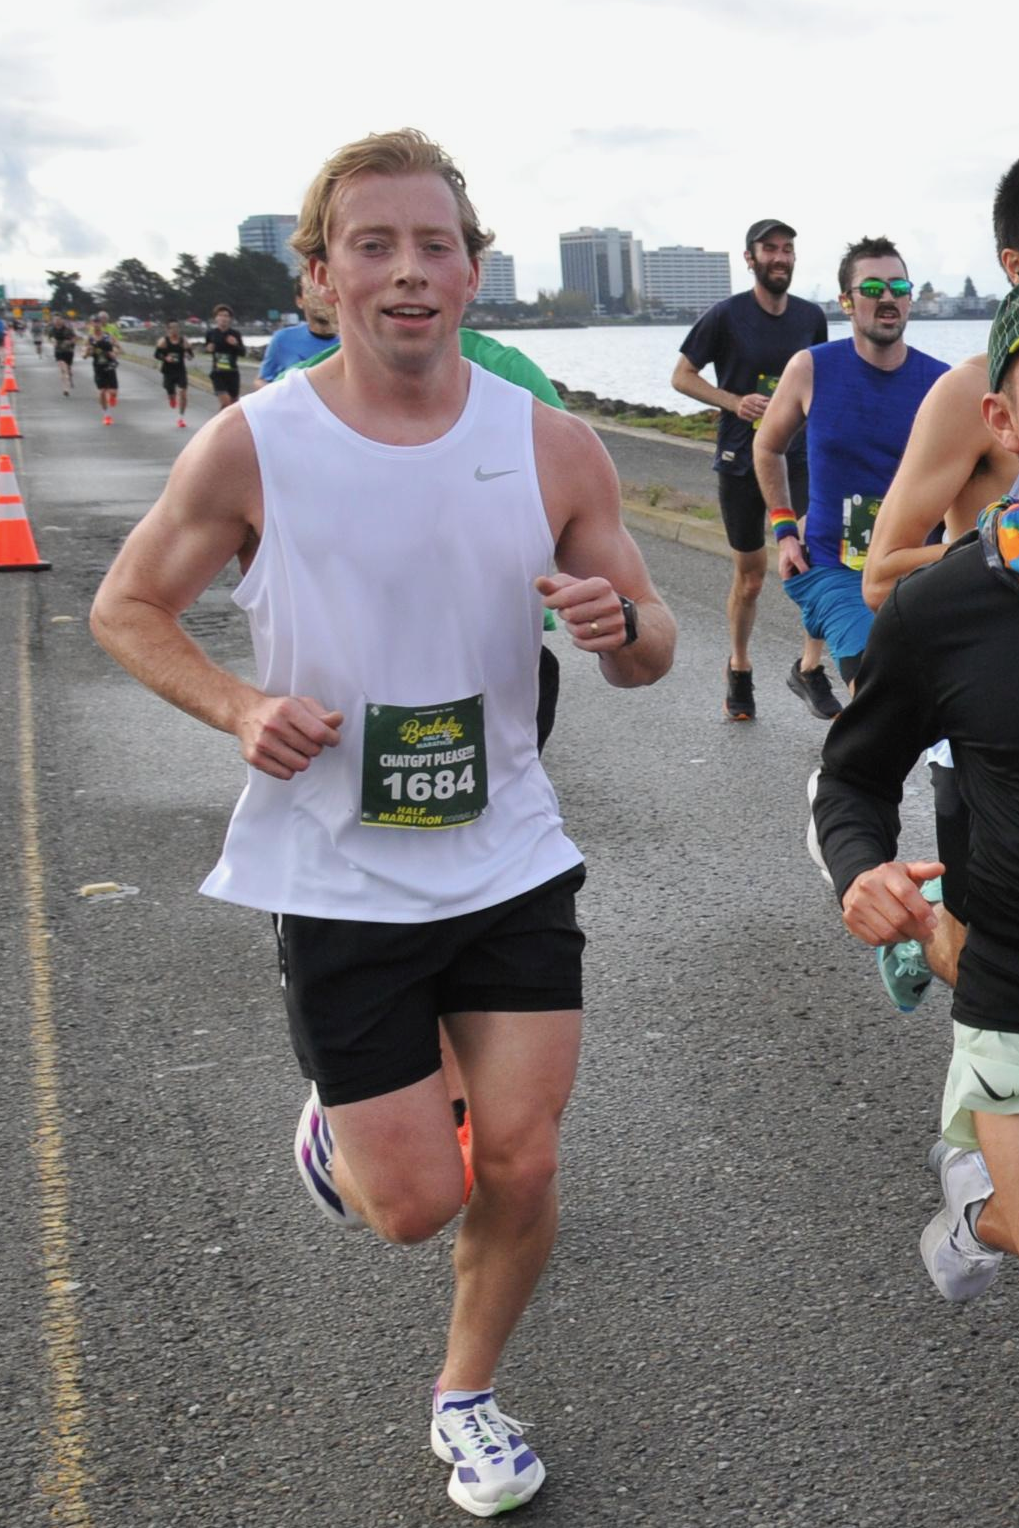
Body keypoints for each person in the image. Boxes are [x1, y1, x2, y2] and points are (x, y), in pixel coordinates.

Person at [90, 127, 676, 1518]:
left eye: (434, 247)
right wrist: (236, 707)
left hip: (508, 854)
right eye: (374, 246)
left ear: (471, 276)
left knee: (523, 1158)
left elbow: (646, 641)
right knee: (411, 1204)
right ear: (319, 278)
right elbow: (125, 608)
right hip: (336, 869)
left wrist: (621, 629)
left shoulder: (549, 445)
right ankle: (344, 1139)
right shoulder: (255, 446)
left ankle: (464, 1396)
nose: (408, 272)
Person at [811, 285, 1019, 1306]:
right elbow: (850, 774)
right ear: (1002, 419)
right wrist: (861, 872)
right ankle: (979, 1212)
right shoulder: (944, 607)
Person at [853, 163, 1019, 1016]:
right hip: (981, 716)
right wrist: (982, 559)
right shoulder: (968, 394)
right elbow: (880, 574)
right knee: (982, 958)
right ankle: (930, 945)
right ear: (1012, 265)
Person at [754, 236, 949, 694]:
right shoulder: (811, 368)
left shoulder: (942, 382)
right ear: (846, 302)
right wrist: (784, 532)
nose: (888, 297)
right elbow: (767, 448)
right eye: (873, 287)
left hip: (919, 568)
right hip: (835, 568)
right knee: (874, 682)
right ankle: (851, 765)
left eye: (899, 287)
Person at [672, 219, 834, 721]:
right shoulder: (725, 316)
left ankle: (809, 669)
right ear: (750, 258)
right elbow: (681, 376)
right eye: (770, 249)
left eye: (787, 249)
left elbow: (823, 382)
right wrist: (732, 402)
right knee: (752, 576)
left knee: (817, 562)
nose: (780, 257)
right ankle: (739, 669)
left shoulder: (810, 317)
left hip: (801, 457)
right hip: (741, 459)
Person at [254, 277, 338, 387]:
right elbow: (261, 380)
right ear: (299, 301)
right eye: (312, 291)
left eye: (325, 290)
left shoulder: (351, 342)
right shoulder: (283, 339)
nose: (320, 297)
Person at [204, 304, 246, 408]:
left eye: (226, 316)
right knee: (226, 402)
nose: (223, 318)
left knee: (233, 404)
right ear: (216, 318)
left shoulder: (235, 334)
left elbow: (243, 353)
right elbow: (207, 348)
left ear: (230, 319)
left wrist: (235, 344)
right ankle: (219, 424)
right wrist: (208, 349)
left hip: (232, 372)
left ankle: (222, 423)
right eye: (221, 315)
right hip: (218, 372)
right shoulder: (211, 333)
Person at [154, 321, 194, 427]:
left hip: (180, 371)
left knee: (183, 393)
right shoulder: (164, 341)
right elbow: (156, 355)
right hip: (168, 371)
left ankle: (181, 418)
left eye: (177, 327)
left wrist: (188, 354)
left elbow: (191, 356)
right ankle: (171, 397)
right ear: (168, 330)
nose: (175, 330)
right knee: (170, 391)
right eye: (172, 328)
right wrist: (165, 358)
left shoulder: (183, 341)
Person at [83, 319, 121, 426]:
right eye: (94, 323)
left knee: (113, 392)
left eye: (98, 323)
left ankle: (113, 397)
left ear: (101, 325)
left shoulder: (108, 337)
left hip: (110, 367)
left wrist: (114, 353)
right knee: (102, 392)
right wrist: (88, 351)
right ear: (92, 325)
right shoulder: (90, 339)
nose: (96, 326)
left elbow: (118, 348)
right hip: (98, 368)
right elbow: (84, 355)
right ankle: (107, 415)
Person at [48, 313, 77, 395]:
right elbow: (49, 338)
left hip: (68, 351)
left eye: (58, 320)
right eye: (55, 320)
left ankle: (69, 377)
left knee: (68, 369)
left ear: (62, 320)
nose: (57, 321)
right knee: (63, 369)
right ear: (53, 321)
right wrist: (52, 341)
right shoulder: (52, 330)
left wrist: (69, 342)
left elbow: (74, 338)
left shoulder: (68, 329)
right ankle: (66, 389)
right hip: (58, 351)